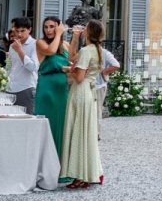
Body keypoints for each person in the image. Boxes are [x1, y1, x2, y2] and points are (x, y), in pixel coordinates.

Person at [59, 19, 104, 189]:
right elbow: (71, 57)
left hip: (81, 91)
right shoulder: (97, 49)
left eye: (84, 29)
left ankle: (80, 175)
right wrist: (75, 38)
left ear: (89, 32)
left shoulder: (86, 51)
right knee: (86, 132)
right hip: (89, 91)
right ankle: (88, 171)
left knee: (78, 131)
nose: (81, 30)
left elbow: (78, 77)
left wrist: (70, 70)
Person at [34, 17, 70, 157]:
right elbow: (51, 51)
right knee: (47, 124)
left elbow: (73, 58)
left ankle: (62, 164)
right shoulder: (40, 43)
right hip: (47, 88)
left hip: (61, 89)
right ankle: (45, 164)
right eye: (46, 27)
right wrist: (59, 34)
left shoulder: (65, 45)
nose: (48, 30)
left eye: (52, 26)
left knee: (61, 124)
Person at [7, 17, 39, 115]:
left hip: (26, 88)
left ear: (29, 30)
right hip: (10, 89)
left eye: (22, 31)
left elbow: (33, 67)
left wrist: (20, 51)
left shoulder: (35, 44)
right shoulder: (12, 46)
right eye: (17, 31)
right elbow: (9, 67)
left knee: (27, 121)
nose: (19, 34)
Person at [95, 48, 120, 140]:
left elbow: (116, 65)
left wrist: (104, 72)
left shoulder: (104, 53)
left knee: (97, 110)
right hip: (94, 84)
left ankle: (96, 133)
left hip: (99, 85)